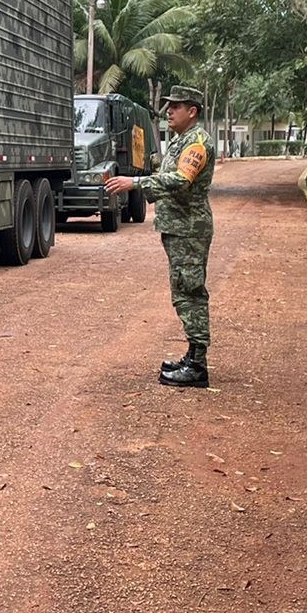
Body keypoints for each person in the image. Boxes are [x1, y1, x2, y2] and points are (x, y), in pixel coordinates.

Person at [105, 85, 216, 387]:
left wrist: (136, 183)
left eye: (176, 106)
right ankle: (192, 355)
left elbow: (181, 181)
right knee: (183, 291)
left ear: (192, 111)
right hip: (180, 229)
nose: (169, 110)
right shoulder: (183, 140)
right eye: (168, 106)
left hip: (189, 230)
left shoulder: (197, 142)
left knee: (190, 292)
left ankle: (197, 366)